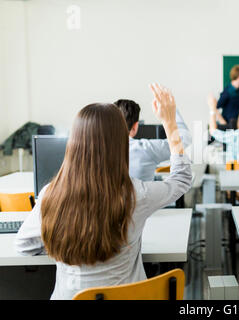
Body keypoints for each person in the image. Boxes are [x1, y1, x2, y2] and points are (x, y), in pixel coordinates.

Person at [15, 84, 192, 300]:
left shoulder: (51, 194)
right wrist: (170, 122)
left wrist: (65, 244)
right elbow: (182, 179)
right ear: (121, 142)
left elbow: (24, 245)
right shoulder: (136, 195)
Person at [115, 99, 191, 181]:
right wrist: (171, 110)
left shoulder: (100, 149)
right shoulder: (146, 149)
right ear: (135, 126)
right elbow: (183, 139)